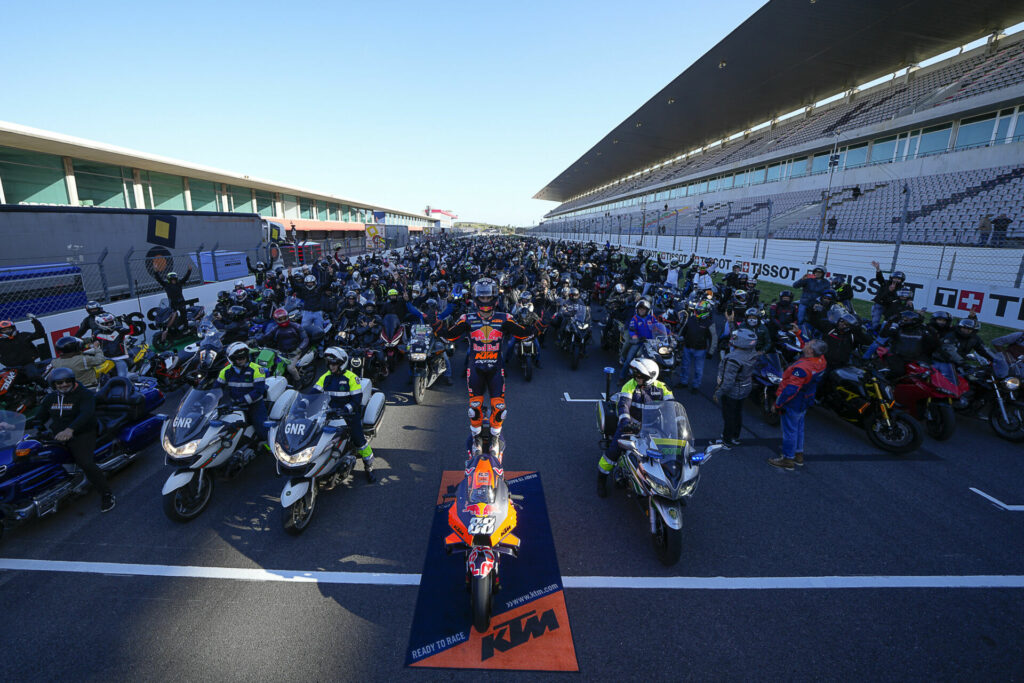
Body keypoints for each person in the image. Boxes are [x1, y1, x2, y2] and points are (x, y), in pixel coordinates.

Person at [436, 277, 540, 439]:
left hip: (496, 370)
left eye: (488, 296)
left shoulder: (505, 318)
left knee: (500, 410)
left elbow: (524, 334)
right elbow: (449, 337)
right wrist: (435, 324)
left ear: (494, 298)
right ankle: (476, 441)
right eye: (482, 297)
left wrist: (542, 324)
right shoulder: (466, 318)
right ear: (477, 297)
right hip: (475, 369)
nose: (485, 300)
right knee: (474, 409)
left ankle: (496, 439)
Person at [30, 367, 115, 512]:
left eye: (67, 381)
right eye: (59, 383)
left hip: (83, 432)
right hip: (58, 435)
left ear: (72, 380)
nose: (64, 385)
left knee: (86, 463)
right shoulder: (50, 398)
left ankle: (107, 494)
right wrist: (12, 425)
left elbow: (86, 414)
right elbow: (39, 418)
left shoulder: (84, 395)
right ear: (54, 385)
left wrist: (70, 429)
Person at [597, 358, 673, 498]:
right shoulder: (629, 385)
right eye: (635, 374)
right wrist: (626, 422)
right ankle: (601, 479)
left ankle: (670, 486)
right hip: (631, 425)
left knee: (669, 453)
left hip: (654, 427)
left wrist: (676, 424)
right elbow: (623, 405)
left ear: (650, 376)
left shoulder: (663, 388)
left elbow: (672, 408)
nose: (636, 378)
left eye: (640, 376)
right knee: (614, 451)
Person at [313, 347, 375, 482]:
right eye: (329, 363)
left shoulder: (352, 378)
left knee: (359, 441)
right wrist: (303, 403)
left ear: (341, 364)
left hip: (349, 415)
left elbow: (356, 400)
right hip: (329, 414)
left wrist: (346, 410)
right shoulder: (326, 377)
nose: (331, 366)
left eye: (334, 363)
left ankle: (369, 466)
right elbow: (314, 393)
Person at [768, 339, 828, 470]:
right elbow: (807, 349)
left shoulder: (802, 368)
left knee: (789, 431)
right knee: (799, 428)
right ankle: (798, 455)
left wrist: (777, 403)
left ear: (811, 351)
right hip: (806, 399)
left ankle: (788, 459)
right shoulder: (821, 360)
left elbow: (791, 390)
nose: (805, 344)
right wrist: (798, 335)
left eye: (808, 344)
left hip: (794, 402)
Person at [215, 342, 269, 452]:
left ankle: (268, 445)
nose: (242, 360)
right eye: (238, 358)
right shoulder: (225, 372)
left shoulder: (257, 370)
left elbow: (258, 391)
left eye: (244, 357)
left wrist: (242, 401)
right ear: (231, 359)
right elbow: (216, 389)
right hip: (234, 405)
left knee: (261, 425)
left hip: (254, 405)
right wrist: (207, 399)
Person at [714, 329, 758, 448]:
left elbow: (728, 382)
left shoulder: (733, 358)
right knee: (738, 413)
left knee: (729, 416)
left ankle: (726, 441)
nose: (732, 339)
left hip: (732, 391)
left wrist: (718, 393)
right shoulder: (752, 353)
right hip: (745, 387)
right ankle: (735, 437)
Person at [256, 308, 310, 385]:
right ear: (276, 320)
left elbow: (305, 338)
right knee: (272, 365)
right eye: (280, 319)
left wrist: (298, 350)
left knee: (290, 368)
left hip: (294, 351)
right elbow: (266, 337)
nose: (283, 321)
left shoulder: (296, 326)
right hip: (281, 352)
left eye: (284, 318)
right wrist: (255, 341)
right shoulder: (275, 328)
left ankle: (298, 381)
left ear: (287, 317)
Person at [676, 300, 715, 393]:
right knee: (684, 366)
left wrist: (711, 351)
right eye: (697, 310)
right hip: (688, 347)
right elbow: (683, 330)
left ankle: (696, 386)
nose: (698, 312)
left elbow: (714, 338)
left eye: (700, 310)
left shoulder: (710, 323)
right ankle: (683, 382)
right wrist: (678, 339)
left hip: (700, 350)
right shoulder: (691, 319)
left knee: (698, 369)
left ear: (706, 311)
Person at [0, 315, 48, 384]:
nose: (7, 331)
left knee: (34, 376)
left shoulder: (23, 336)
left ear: (13, 328)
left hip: (27, 365)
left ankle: (46, 388)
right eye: (4, 330)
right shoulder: (1, 343)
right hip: (11, 368)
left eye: (9, 329)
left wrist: (35, 321)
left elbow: (40, 334)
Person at [620, 299, 659, 378]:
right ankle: (622, 377)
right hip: (639, 342)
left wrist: (669, 334)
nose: (641, 310)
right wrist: (636, 338)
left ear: (647, 310)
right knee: (629, 359)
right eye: (640, 309)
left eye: (643, 309)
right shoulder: (635, 319)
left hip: (650, 343)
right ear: (637, 310)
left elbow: (658, 327)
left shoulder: (651, 318)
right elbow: (632, 330)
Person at [153, 268, 193, 343]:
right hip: (172, 304)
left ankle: (186, 329)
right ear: (169, 280)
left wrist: (189, 271)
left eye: (174, 279)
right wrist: (156, 272)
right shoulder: (166, 285)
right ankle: (173, 329)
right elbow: (159, 280)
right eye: (172, 279)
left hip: (181, 303)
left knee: (184, 314)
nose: (174, 281)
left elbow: (185, 278)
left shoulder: (179, 283)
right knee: (171, 316)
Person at [868, 262, 905, 328]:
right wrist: (878, 269)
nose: (896, 280)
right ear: (892, 278)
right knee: (875, 321)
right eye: (895, 278)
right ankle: (873, 331)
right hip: (879, 304)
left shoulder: (901, 288)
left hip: (890, 306)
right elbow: (880, 278)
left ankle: (884, 332)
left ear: (901, 280)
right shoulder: (885, 283)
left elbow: (902, 297)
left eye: (899, 279)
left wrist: (909, 300)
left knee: (889, 322)